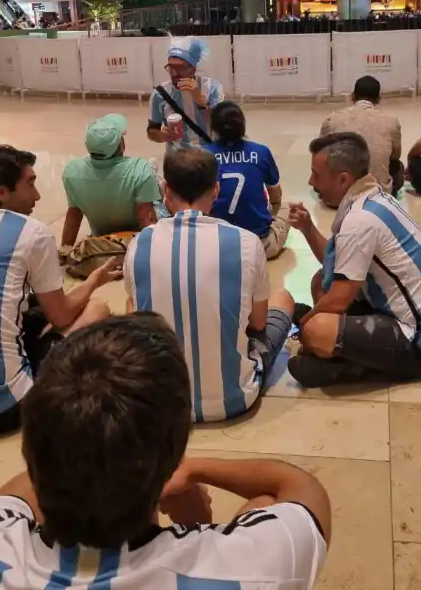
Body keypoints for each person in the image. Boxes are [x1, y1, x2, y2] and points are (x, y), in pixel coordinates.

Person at [0, 314, 330, 590]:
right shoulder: (253, 576)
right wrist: (193, 468)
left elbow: (21, 488)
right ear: (174, 449)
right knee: (266, 503)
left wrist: (90, 445)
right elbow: (302, 490)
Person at [124, 147, 294, 422]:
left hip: (160, 403)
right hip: (236, 398)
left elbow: (136, 317)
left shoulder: (140, 243)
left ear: (166, 190)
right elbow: (259, 324)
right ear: (215, 190)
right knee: (282, 298)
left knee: (133, 304)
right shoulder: (246, 243)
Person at [287, 132, 421, 388]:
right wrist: (308, 228)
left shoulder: (359, 220)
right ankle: (347, 354)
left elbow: (341, 296)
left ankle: (353, 366)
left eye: (316, 174)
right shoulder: (372, 197)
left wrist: (306, 330)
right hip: (410, 321)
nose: (311, 182)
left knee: (317, 329)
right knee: (321, 280)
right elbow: (337, 263)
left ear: (343, 178)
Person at [0, 145, 117, 437]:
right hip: (5, 408)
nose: (38, 196)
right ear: (1, 192)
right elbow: (60, 316)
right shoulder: (31, 232)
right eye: (30, 184)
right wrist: (93, 280)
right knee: (96, 309)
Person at [60, 114, 161, 254]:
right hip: (133, 238)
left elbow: (74, 216)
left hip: (101, 237)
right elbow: (146, 218)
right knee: (161, 189)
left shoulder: (72, 171)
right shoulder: (140, 169)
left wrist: (65, 251)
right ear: (120, 145)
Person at [206, 101, 290, 259]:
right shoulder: (261, 152)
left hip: (216, 245)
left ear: (213, 127)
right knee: (287, 207)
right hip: (258, 245)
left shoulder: (203, 155)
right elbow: (276, 196)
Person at [320, 75, 403, 195]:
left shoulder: (332, 119)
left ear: (352, 96)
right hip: (377, 196)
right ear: (378, 98)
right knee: (398, 167)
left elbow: (321, 155)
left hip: (338, 196)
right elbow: (395, 156)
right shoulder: (391, 120)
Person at [148, 39, 224, 151]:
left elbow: (221, 126)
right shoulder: (160, 94)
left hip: (209, 155)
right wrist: (161, 136)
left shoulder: (212, 88)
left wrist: (201, 101)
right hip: (178, 158)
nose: (174, 73)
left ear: (192, 69)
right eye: (170, 68)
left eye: (180, 68)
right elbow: (152, 131)